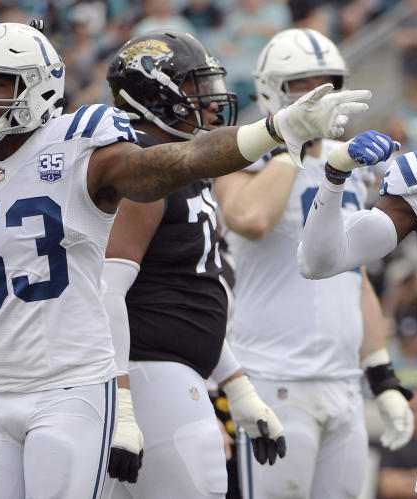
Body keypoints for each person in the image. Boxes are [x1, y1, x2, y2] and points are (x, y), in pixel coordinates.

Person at [0, 22, 373, 499]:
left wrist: (278, 129)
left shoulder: (82, 148)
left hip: (75, 393)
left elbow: (175, 163)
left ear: (39, 88)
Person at [213, 28, 413, 499]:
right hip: (273, 376)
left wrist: (380, 373)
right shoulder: (247, 153)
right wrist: (293, 144)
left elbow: (353, 272)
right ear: (271, 89)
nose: (318, 95)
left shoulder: (354, 164)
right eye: (304, 85)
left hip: (342, 380)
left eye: (328, 82)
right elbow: (251, 218)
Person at [99, 30, 285, 499]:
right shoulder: (143, 169)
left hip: (168, 372)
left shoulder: (183, 169)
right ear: (154, 96)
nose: (208, 103)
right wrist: (121, 402)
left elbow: (190, 295)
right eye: (194, 89)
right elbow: (106, 290)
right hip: (148, 376)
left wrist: (236, 385)